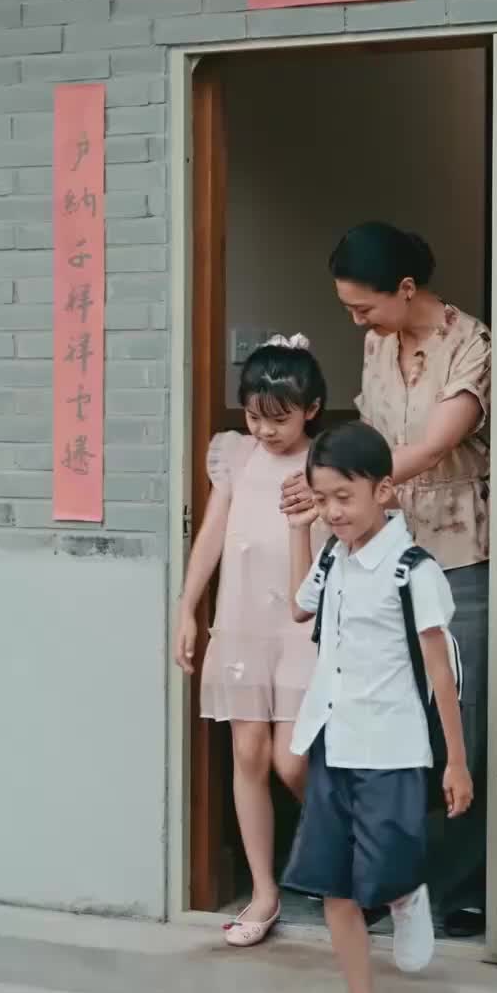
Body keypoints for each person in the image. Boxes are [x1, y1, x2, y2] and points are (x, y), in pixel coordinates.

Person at [282, 222, 490, 938]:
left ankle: (457, 887)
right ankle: (381, 878)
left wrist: (337, 483)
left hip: (456, 551)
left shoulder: (472, 344)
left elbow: (431, 447)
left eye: (363, 307)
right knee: (376, 723)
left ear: (406, 289)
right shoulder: (377, 344)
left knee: (455, 719)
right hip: (378, 548)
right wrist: (343, 500)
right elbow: (369, 439)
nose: (355, 322)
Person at [284, 421, 472, 993]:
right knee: (334, 885)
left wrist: (455, 760)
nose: (333, 511)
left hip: (391, 746)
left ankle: (405, 891)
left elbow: (441, 673)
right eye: (323, 498)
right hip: (333, 738)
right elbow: (299, 607)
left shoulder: (413, 571)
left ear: (383, 491)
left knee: (384, 865)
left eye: (344, 497)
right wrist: (300, 530)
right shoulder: (332, 555)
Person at [174, 336, 328, 946]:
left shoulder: (326, 461)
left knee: (293, 761)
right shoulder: (236, 456)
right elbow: (213, 533)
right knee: (248, 754)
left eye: (279, 419)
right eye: (255, 416)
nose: (265, 430)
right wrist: (187, 608)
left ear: (312, 409)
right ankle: (265, 892)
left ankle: (355, 855)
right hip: (240, 623)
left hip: (301, 625)